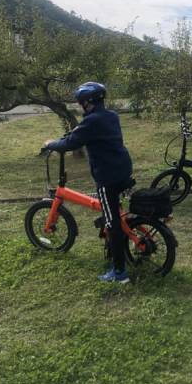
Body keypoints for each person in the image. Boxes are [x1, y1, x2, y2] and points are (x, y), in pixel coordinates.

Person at [44, 81, 133, 283]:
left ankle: (120, 273)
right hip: (122, 168)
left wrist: (51, 144)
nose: (80, 106)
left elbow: (70, 143)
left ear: (87, 102)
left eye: (81, 102)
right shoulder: (111, 115)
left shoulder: (91, 122)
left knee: (112, 223)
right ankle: (114, 253)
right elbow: (84, 135)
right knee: (113, 212)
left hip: (107, 177)